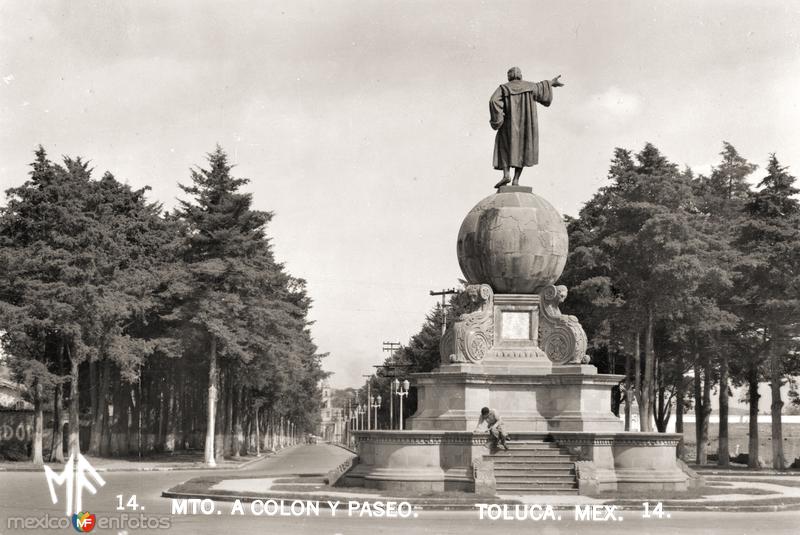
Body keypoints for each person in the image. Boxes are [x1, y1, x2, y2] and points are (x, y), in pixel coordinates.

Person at [489, 67, 564, 188]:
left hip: (508, 125)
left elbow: (493, 101)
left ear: (509, 76)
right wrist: (552, 82)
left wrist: (498, 118)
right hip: (526, 126)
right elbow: (542, 87)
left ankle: (506, 174)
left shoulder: (503, 88)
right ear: (520, 75)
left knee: (504, 147)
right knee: (523, 149)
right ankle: (516, 180)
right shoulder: (530, 86)